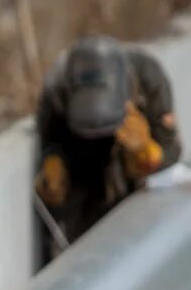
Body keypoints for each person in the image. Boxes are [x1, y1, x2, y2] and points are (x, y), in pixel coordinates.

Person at [34, 35, 182, 264]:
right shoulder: (56, 91)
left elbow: (172, 150)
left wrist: (148, 153)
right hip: (83, 161)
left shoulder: (148, 78)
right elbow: (51, 140)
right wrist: (54, 164)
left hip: (132, 167)